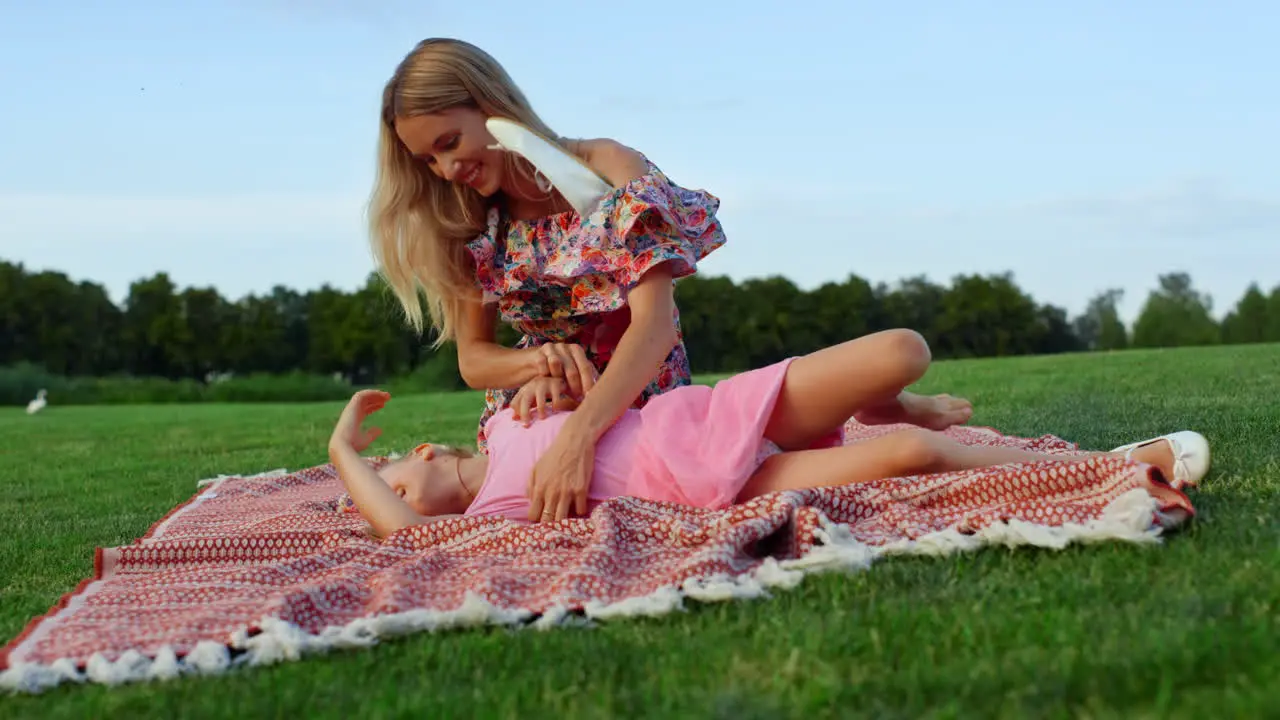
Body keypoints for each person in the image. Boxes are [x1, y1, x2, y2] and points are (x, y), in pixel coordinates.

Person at [328, 330, 1211, 538]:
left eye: (393, 467)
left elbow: (601, 382)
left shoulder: (509, 418)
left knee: (903, 349)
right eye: (394, 486)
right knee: (908, 459)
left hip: (712, 416)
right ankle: (1119, 467)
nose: (406, 475)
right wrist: (340, 453)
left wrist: (552, 382)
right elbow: (404, 539)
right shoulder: (502, 508)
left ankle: (893, 400)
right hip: (719, 489)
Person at [368, 36, 731, 524]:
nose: (448, 170)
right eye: (428, 161)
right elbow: (474, 360)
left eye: (449, 142)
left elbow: (656, 326)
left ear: (490, 103)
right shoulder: (475, 222)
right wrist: (539, 363)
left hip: (638, 402)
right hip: (535, 412)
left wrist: (578, 438)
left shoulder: (608, 167)